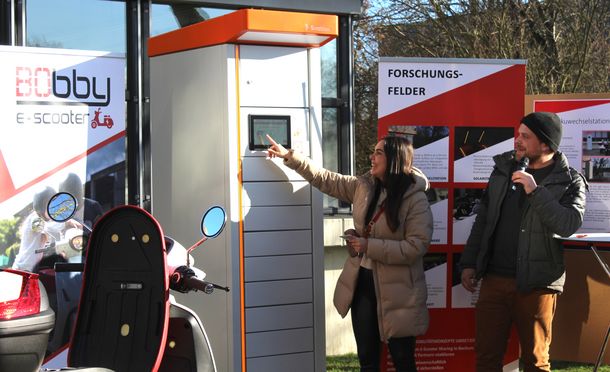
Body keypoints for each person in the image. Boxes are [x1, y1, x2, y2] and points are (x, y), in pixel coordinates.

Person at [266, 133, 433, 372]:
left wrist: (368, 246)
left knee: (403, 361)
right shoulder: (364, 186)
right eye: (373, 151)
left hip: (400, 292)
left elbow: (417, 247)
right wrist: (291, 157)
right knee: (367, 361)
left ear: (395, 159)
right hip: (362, 283)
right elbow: (326, 179)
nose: (371, 157)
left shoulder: (415, 199)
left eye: (378, 153)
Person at [459, 112, 587, 372]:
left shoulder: (570, 180)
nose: (518, 140)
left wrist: (535, 190)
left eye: (525, 136)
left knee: (535, 363)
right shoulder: (503, 170)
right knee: (485, 358)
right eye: (518, 134)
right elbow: (483, 221)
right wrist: (470, 262)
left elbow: (568, 224)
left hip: (537, 284)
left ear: (546, 145)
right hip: (494, 280)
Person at [12, 186, 63, 272]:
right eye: (51, 204)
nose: (54, 208)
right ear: (42, 204)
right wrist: (67, 222)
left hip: (30, 269)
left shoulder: (43, 220)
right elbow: (48, 228)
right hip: (23, 269)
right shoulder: (34, 219)